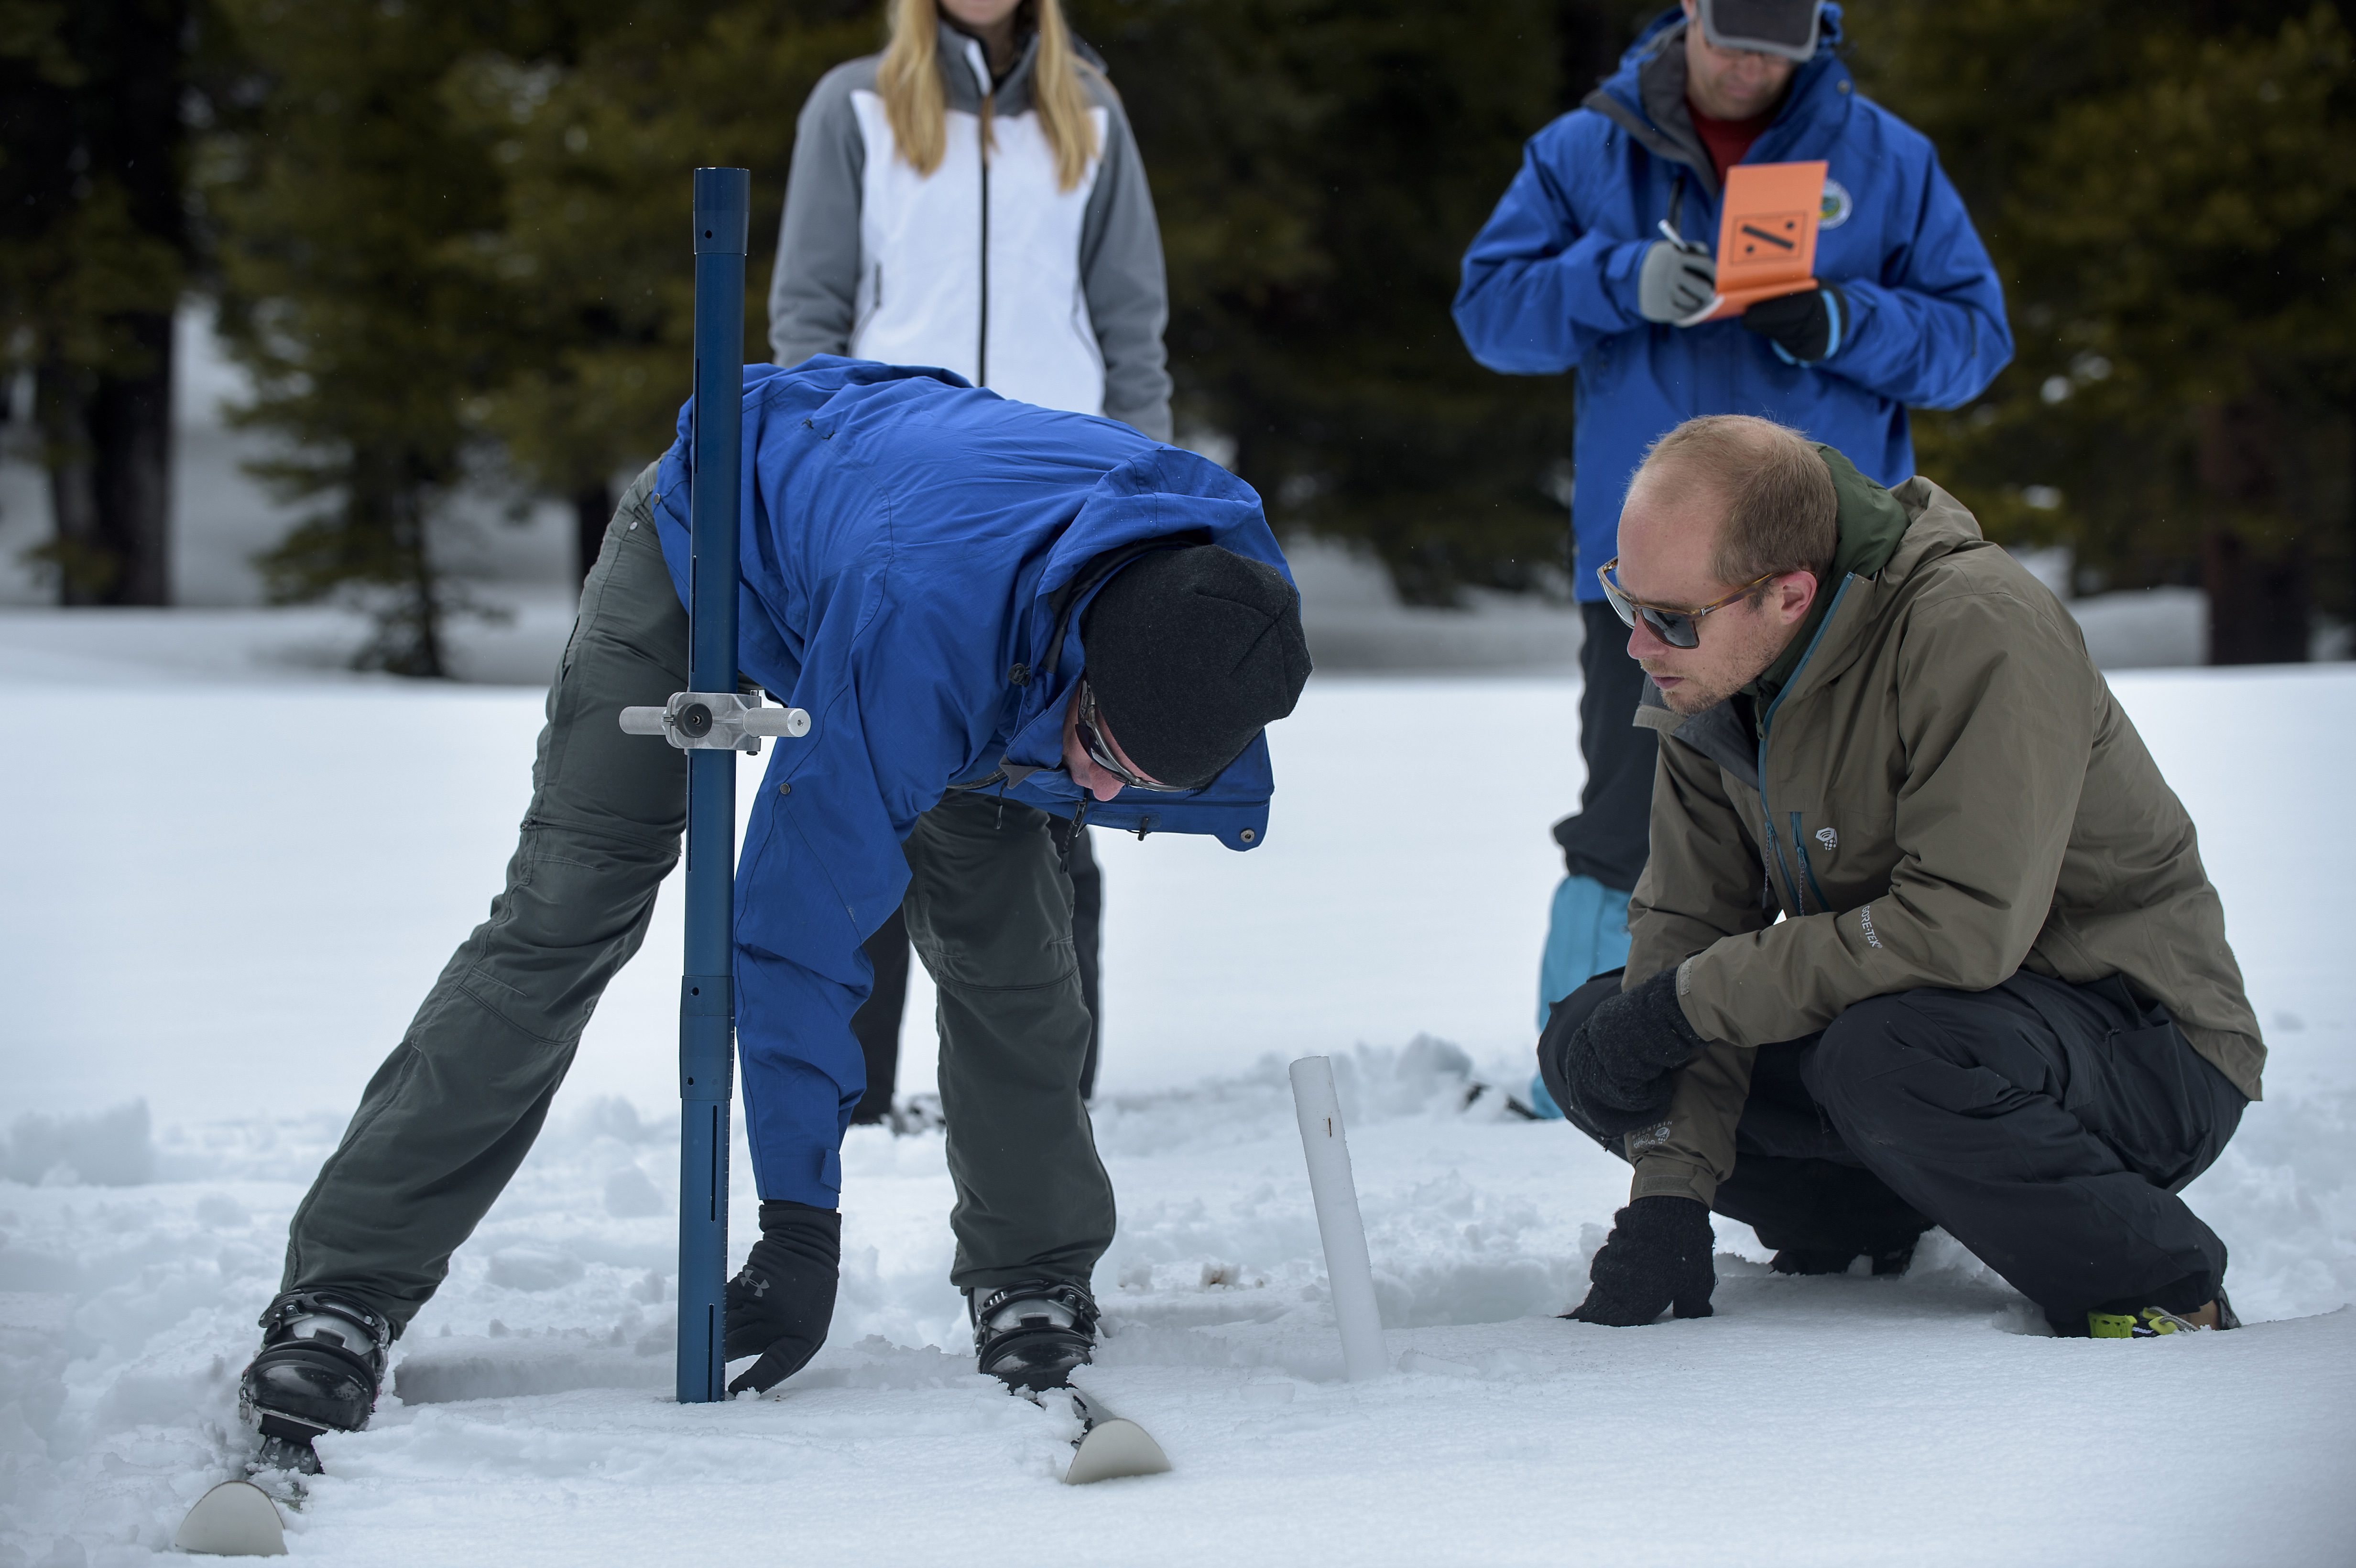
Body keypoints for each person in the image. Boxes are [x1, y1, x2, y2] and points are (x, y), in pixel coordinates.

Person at [237, 359, 1310, 1462]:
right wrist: (800, 1228)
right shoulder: (921, 627)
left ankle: (1034, 1276)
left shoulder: (1217, 605)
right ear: (1086, 660)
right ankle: (344, 1287)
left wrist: (1095, 743)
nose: (1095, 792)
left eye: (1130, 780)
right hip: (714, 534)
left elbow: (1094, 731)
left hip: (958, 590)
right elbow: (797, 924)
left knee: (1012, 950)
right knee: (571, 908)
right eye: (1096, 752)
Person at [1536, 414, 2262, 1339]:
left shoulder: (1976, 627)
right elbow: (1689, 928)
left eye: (1669, 617)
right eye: (1625, 601)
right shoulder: (1707, 664)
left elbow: (1962, 928)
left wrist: (1688, 1001)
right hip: (1917, 1018)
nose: (1640, 646)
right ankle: (1860, 1229)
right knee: (1597, 1040)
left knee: (1878, 1053)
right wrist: (1668, 1199)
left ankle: (2158, 1284)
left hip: (2140, 1043)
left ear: (1790, 595)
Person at [1451, 0, 2012, 1093]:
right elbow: (1488, 313)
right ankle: (1583, 1059)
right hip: (1651, 570)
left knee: (1864, 819)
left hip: (1838, 576)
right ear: (1688, 15)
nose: (1752, 64)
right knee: (1629, 813)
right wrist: (1617, 282)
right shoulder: (1580, 153)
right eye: (1732, 34)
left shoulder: (1887, 158)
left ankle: (1867, 1066)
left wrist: (1844, 322)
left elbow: (1973, 341)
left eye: (1780, 42)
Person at [771, 0, 1173, 1122]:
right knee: (874, 791)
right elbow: (808, 316)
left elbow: (1128, 324)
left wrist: (1139, 490)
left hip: (1058, 511)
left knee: (1053, 784)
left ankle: (1044, 1096)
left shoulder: (1091, 112)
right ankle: (846, 1104)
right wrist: (825, 478)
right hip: (899, 506)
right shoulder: (852, 104)